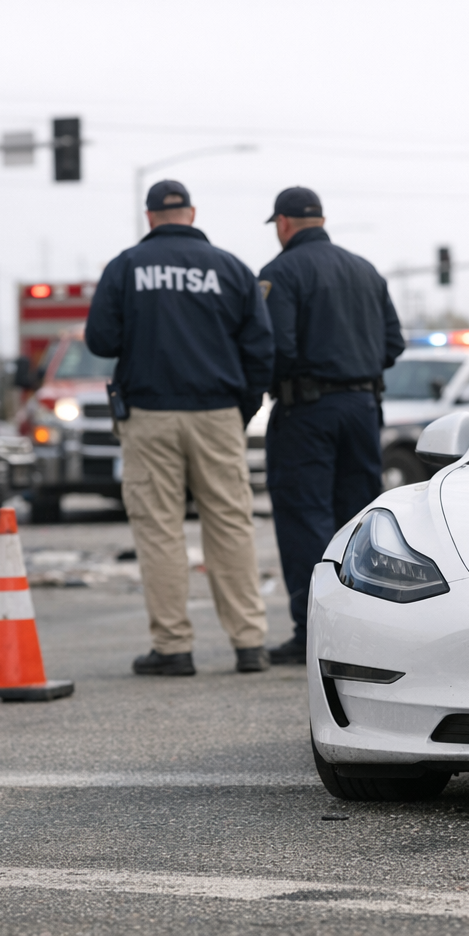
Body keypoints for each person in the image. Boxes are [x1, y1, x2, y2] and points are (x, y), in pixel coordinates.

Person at [85, 180, 275, 677]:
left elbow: (101, 340)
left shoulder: (126, 267)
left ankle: (173, 647)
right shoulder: (231, 268)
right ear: (191, 213)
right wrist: (242, 410)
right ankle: (249, 643)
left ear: (150, 217)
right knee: (231, 523)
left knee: (160, 529)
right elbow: (261, 350)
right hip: (217, 413)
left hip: (149, 414)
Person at [259, 186, 404, 665]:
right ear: (320, 219)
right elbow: (392, 345)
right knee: (359, 521)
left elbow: (275, 348)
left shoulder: (280, 272)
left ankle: (311, 632)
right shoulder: (365, 270)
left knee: (305, 518)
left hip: (306, 412)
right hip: (363, 409)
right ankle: (364, 634)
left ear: (283, 223)